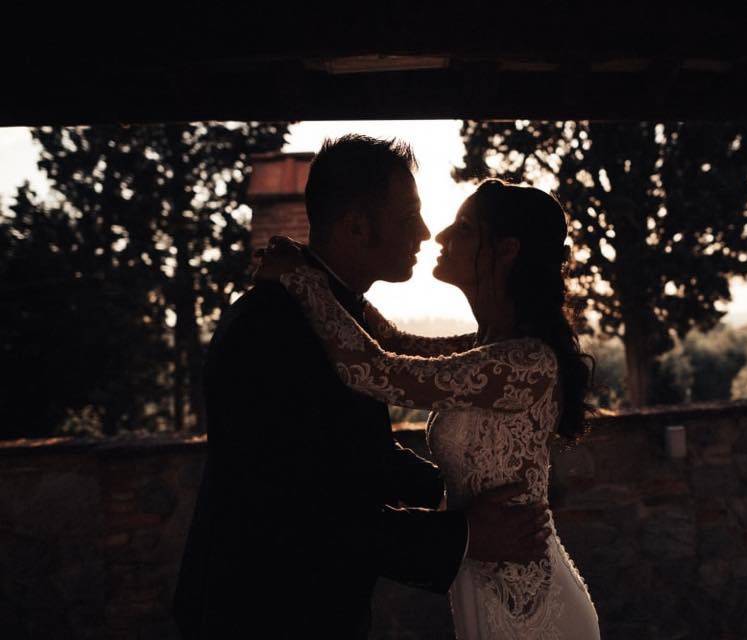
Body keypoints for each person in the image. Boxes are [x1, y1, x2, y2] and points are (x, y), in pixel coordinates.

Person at [172, 136, 551, 639]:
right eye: (407, 216)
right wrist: (463, 535)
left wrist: (459, 490)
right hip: (263, 610)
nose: (423, 231)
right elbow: (295, 512)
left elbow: (359, 453)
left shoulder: (330, 315)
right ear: (356, 226)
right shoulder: (272, 328)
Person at [258, 178, 601, 639]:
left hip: (529, 605)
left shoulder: (525, 363)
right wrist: (327, 280)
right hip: (485, 583)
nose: (440, 236)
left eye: (462, 228)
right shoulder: (488, 350)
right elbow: (396, 345)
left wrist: (299, 279)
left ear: (506, 250)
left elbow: (374, 371)